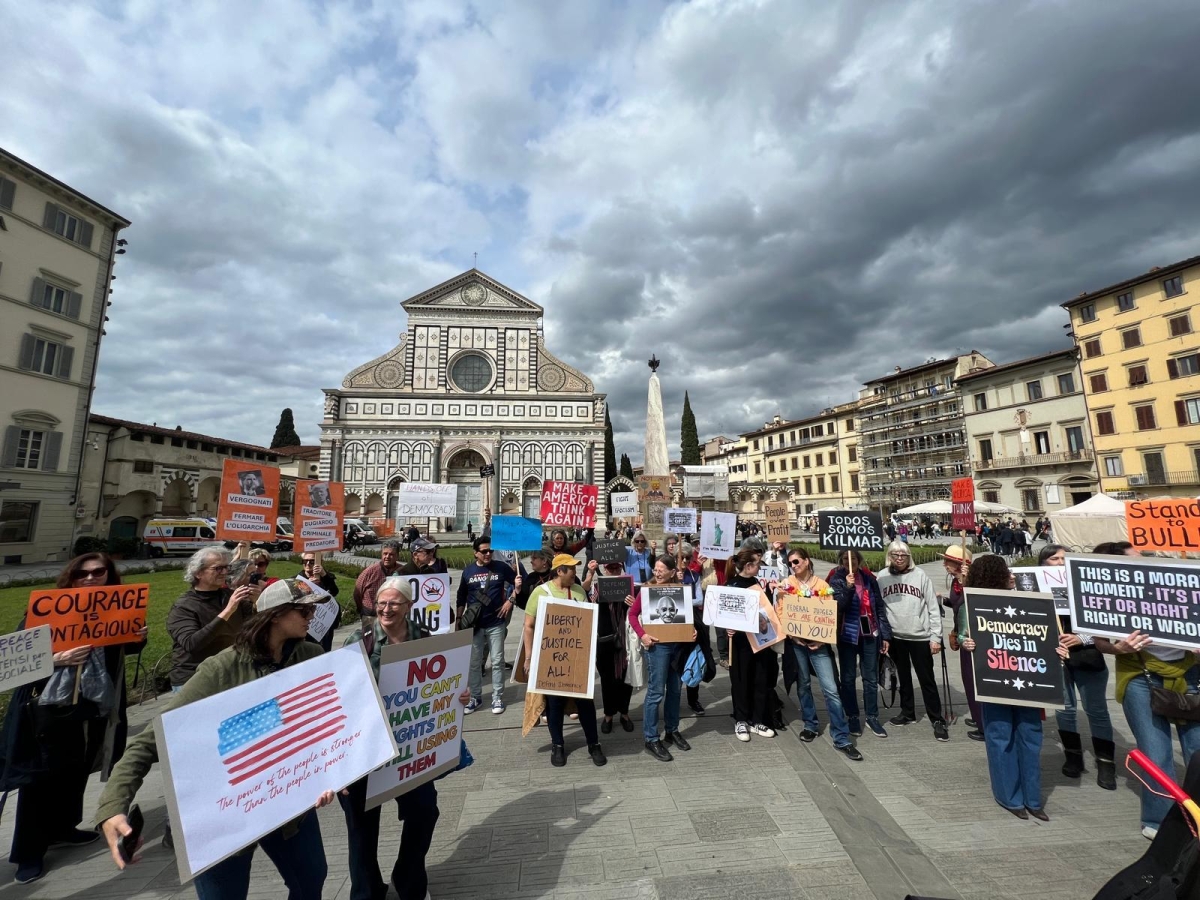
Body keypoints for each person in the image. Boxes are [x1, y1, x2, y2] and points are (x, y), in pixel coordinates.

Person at [95, 579, 338, 898]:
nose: (312, 616)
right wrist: (113, 807)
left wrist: (333, 770)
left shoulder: (311, 655)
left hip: (289, 804)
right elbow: (151, 740)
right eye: (304, 611)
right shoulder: (220, 669)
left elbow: (321, 722)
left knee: (311, 879)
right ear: (275, 615)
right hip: (223, 812)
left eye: (313, 610)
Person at [1, 553, 147, 884]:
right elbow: (18, 658)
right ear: (71, 577)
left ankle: (63, 828)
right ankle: (28, 852)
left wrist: (137, 636)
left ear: (109, 576)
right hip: (47, 711)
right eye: (83, 573)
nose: (91, 578)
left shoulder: (116, 609)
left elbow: (121, 647)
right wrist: (58, 658)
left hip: (94, 708)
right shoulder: (47, 610)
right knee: (40, 780)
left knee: (76, 770)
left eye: (98, 572)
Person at [340, 582, 469, 900]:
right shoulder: (361, 640)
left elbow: (442, 684)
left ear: (409, 606)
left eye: (394, 604)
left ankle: (408, 879)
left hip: (410, 748)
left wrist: (458, 694)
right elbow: (341, 696)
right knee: (362, 829)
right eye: (381, 603)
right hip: (366, 750)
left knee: (424, 812)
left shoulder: (423, 638)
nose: (386, 609)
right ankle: (367, 892)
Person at [961, 554, 1059, 820]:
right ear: (995, 577)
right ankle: (1009, 797)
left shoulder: (1029, 600)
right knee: (1000, 735)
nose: (1013, 575)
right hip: (995, 679)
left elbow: (1047, 634)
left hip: (1028, 679)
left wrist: (1058, 649)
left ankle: (1033, 798)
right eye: (1007, 571)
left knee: (1030, 735)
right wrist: (967, 642)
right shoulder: (974, 604)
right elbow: (964, 634)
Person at [1036, 544, 1115, 789]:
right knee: (1065, 709)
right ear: (1043, 564)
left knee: (1096, 709)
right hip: (1056, 656)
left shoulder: (1085, 587)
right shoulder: (1036, 588)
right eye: (1054, 558)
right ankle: (1073, 756)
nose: (1060, 562)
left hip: (1088, 655)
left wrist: (1081, 638)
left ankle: (1106, 761)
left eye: (1064, 558)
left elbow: (1105, 622)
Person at [522, 555, 607, 767]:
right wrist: (529, 657)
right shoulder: (540, 592)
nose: (575, 574)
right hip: (551, 659)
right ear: (560, 571)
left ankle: (594, 744)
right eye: (571, 570)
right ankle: (558, 744)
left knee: (585, 702)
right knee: (555, 704)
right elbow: (528, 626)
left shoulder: (578, 591)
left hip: (577, 659)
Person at [777, 548, 862, 760]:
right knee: (803, 684)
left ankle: (841, 736)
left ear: (807, 561)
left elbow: (830, 615)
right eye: (790, 563)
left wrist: (822, 639)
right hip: (797, 643)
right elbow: (781, 612)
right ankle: (810, 724)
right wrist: (793, 635)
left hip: (819, 644)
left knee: (831, 689)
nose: (793, 566)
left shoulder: (822, 585)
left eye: (796, 561)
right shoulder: (786, 585)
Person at [829, 551, 907, 740]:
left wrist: (886, 635)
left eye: (853, 559)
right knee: (848, 678)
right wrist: (848, 587)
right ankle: (852, 716)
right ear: (841, 561)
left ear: (859, 560)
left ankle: (872, 717)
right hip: (847, 635)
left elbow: (879, 608)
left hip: (869, 634)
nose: (850, 562)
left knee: (870, 678)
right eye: (846, 559)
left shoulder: (869, 579)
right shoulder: (836, 579)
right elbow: (838, 606)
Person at [876, 541, 948, 741]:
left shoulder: (920, 575)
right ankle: (908, 712)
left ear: (909, 556)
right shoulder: (882, 577)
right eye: (895, 554)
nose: (899, 558)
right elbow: (879, 608)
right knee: (903, 677)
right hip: (896, 636)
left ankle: (936, 718)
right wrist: (883, 636)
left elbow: (933, 607)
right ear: (889, 556)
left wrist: (936, 637)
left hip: (920, 636)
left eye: (903, 555)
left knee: (926, 679)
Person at [628, 557, 694, 760]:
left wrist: (692, 631)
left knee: (675, 690)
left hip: (678, 646)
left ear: (672, 572)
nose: (657, 573)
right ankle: (651, 738)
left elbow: (687, 617)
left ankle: (672, 730)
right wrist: (643, 635)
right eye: (655, 569)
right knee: (656, 692)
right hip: (658, 647)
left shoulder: (680, 590)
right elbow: (632, 615)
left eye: (661, 570)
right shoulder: (647, 590)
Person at [167, 546, 257, 691]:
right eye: (218, 568)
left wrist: (256, 602)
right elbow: (192, 644)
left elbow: (253, 626)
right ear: (198, 573)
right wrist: (227, 611)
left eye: (226, 567)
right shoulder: (184, 606)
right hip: (194, 679)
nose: (225, 572)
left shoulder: (230, 595)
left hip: (227, 672)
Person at [457, 536, 520, 714]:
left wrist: (510, 601)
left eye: (490, 550)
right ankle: (476, 697)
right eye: (484, 551)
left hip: (496, 622)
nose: (488, 554)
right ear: (475, 553)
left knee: (497, 661)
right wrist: (459, 618)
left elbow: (517, 587)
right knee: (474, 663)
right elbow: (461, 596)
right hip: (475, 625)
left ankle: (497, 697)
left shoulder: (501, 567)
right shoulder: (468, 571)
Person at [724, 549, 779, 744]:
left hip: (759, 640)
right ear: (748, 566)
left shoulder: (756, 583)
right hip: (740, 643)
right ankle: (740, 719)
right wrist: (727, 628)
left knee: (760, 679)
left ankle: (757, 720)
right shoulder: (731, 585)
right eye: (757, 564)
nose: (760, 567)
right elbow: (723, 614)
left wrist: (770, 592)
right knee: (740, 680)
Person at [588, 558, 635, 733]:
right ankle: (608, 715)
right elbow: (588, 603)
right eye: (610, 568)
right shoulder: (597, 587)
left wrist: (633, 604)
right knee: (607, 681)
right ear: (605, 569)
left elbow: (640, 610)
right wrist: (590, 573)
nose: (614, 571)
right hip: (604, 640)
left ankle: (624, 713)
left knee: (626, 679)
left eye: (617, 568)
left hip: (626, 640)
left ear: (621, 569)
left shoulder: (630, 587)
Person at [943, 545, 983, 739]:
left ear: (959, 564)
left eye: (948, 562)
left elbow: (970, 602)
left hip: (972, 637)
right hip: (961, 634)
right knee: (967, 679)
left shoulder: (973, 581)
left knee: (974, 679)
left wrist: (967, 582)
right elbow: (956, 604)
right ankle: (977, 716)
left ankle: (983, 724)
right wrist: (942, 600)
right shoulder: (955, 582)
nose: (944, 565)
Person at [301, 551, 342, 653]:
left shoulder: (325, 577)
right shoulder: (298, 578)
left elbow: (334, 591)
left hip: (324, 626)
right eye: (305, 561)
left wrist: (324, 574)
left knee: (325, 651)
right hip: (307, 625)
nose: (308, 564)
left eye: (311, 561)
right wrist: (307, 585)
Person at [353, 539, 402, 616]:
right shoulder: (370, 571)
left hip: (393, 614)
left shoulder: (402, 571)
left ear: (397, 556)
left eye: (391, 554)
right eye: (385, 554)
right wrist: (361, 610)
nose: (387, 557)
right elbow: (357, 592)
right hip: (371, 614)